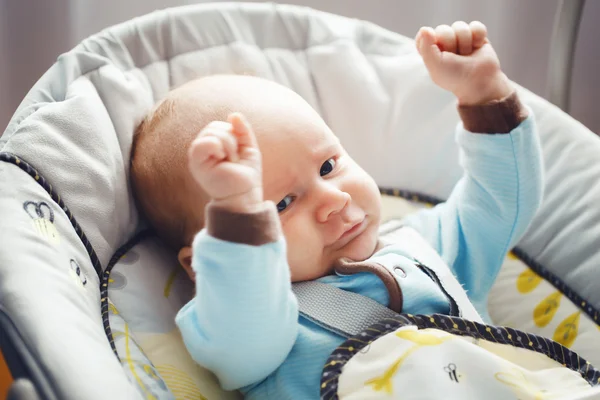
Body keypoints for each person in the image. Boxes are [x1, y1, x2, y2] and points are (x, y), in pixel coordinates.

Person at [130, 21, 543, 399]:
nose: (334, 200)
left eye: (328, 166)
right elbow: (242, 322)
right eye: (281, 205)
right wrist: (238, 214)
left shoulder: (426, 246)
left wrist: (485, 95)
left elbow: (497, 204)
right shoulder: (254, 325)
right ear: (202, 265)